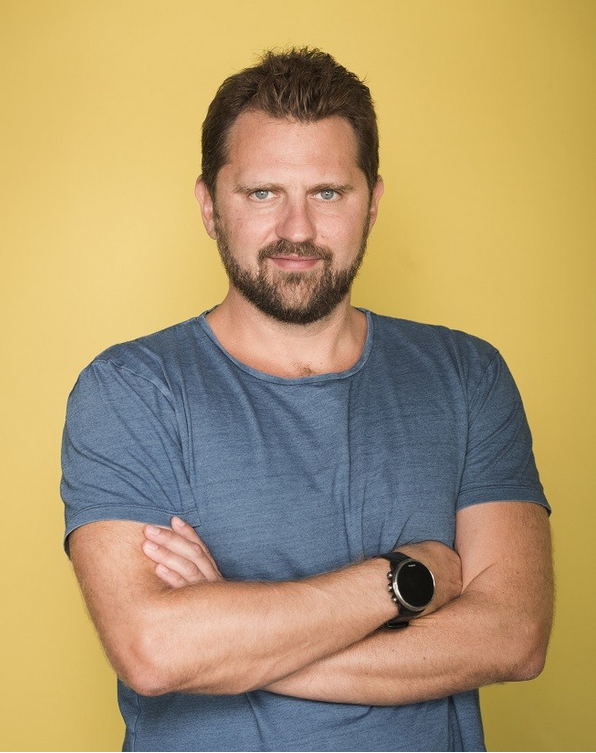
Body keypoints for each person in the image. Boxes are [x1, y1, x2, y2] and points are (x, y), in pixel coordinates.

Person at [61, 48, 553, 752]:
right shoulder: (130, 391)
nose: (296, 229)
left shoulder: (468, 375)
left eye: (328, 193)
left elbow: (515, 635)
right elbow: (153, 650)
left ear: (372, 203)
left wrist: (232, 646)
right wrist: (404, 579)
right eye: (262, 193)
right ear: (208, 205)